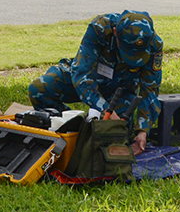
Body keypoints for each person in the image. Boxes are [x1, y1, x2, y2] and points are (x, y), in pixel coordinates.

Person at [28, 10, 163, 156]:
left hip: (119, 91)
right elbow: (81, 74)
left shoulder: (154, 44)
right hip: (89, 80)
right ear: (115, 32)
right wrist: (106, 110)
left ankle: (85, 130)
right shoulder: (100, 28)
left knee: (119, 129)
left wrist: (142, 130)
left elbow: (150, 90)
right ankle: (73, 125)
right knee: (39, 89)